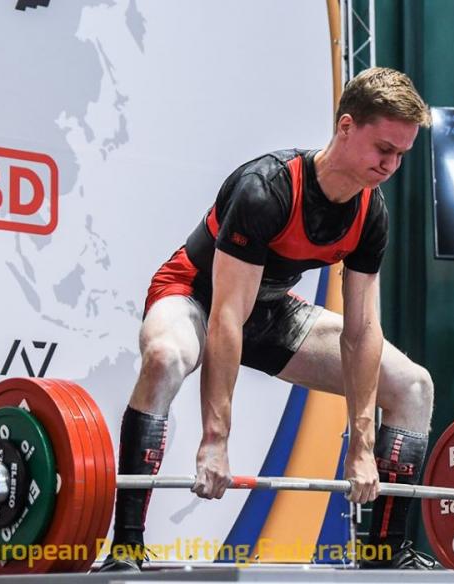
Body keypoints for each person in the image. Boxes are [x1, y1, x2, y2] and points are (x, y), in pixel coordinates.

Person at [100, 67, 436, 572]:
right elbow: (226, 316)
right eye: (384, 149)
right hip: (195, 296)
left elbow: (362, 331)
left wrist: (363, 446)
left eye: (401, 155)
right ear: (346, 127)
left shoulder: (371, 213)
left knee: (412, 386)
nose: (391, 165)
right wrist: (215, 441)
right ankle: (126, 548)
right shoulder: (267, 188)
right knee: (166, 357)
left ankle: (385, 555)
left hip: (271, 309)